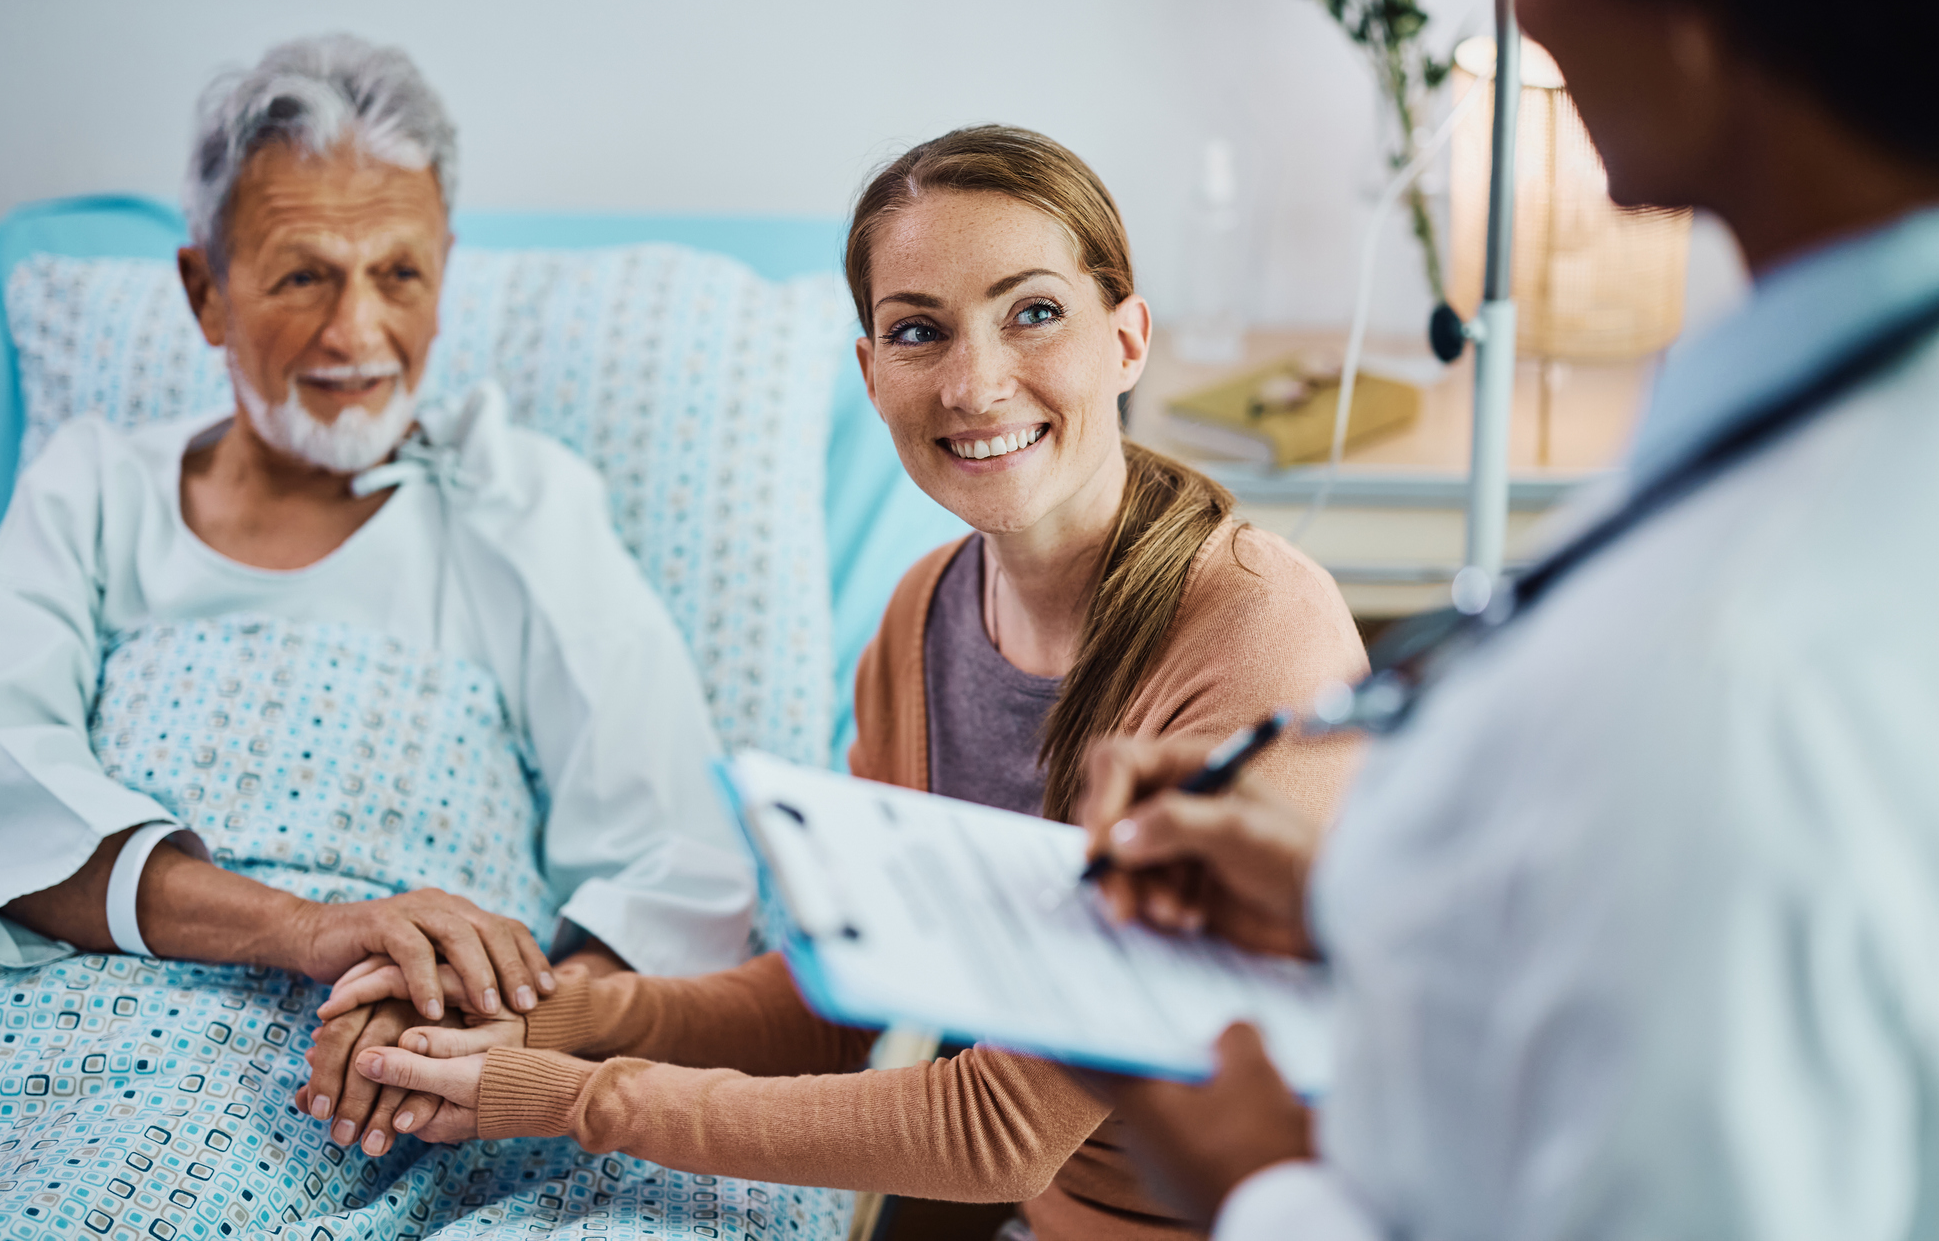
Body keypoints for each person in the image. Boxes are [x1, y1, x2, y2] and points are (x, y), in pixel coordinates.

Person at [1070, 0, 1939, 1237]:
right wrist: (1368, 904)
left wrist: (1254, 1184)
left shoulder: (1735, 686)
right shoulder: (1835, 423)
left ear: (1707, 12)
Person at [315, 125, 1371, 1241]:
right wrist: (542, 1018)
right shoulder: (924, 616)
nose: (973, 381)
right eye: (920, 331)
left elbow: (999, 1125)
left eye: (1034, 312)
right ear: (872, 374)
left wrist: (571, 1096)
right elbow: (838, 1004)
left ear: (1129, 336)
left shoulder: (1259, 639)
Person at [0, 35, 824, 1236]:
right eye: (302, 275)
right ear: (204, 290)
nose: (357, 331)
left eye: (399, 274)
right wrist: (309, 933)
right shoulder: (96, 488)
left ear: (445, 272)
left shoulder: (519, 504)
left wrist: (483, 1022)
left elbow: (678, 860)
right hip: (71, 1012)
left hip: (396, 1063)